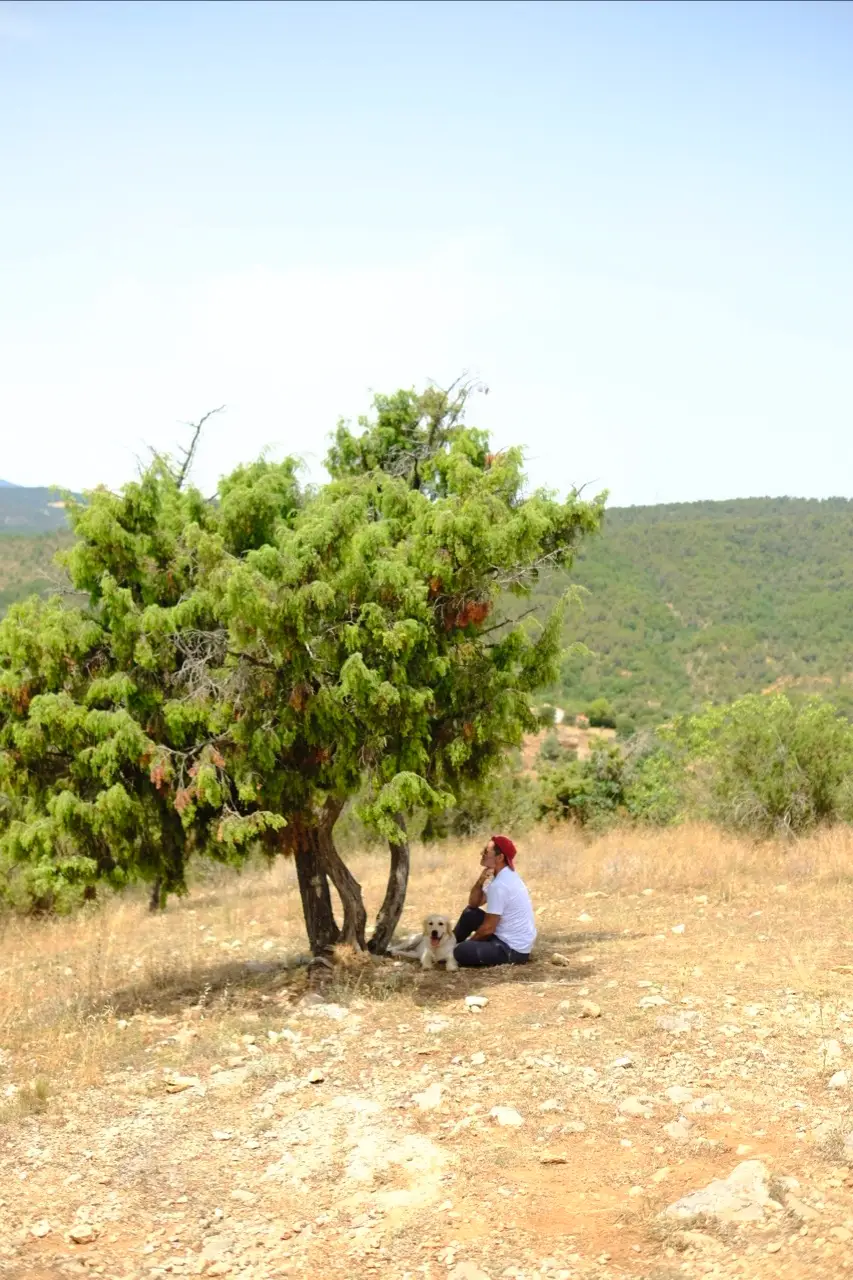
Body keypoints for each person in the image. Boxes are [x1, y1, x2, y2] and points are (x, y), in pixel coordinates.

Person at [452, 835, 536, 967]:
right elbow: (473, 903)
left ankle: (451, 950)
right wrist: (481, 880)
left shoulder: (500, 885)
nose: (481, 853)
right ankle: (446, 944)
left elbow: (488, 929)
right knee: (470, 914)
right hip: (502, 937)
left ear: (500, 857)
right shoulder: (502, 876)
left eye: (486, 851)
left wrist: (468, 943)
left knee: (460, 951)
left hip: (512, 950)